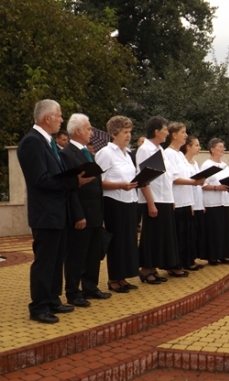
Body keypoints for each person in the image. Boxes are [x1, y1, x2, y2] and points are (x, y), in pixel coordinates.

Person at [17, 99, 93, 324]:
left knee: (57, 259)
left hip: (58, 212)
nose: (61, 120)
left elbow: (54, 174)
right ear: (47, 117)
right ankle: (39, 306)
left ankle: (52, 299)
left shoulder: (48, 141)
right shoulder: (32, 142)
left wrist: (73, 178)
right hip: (45, 213)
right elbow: (40, 179)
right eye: (59, 116)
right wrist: (73, 182)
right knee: (45, 261)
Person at [60, 114, 111, 307]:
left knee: (92, 253)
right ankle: (73, 292)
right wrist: (78, 214)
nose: (91, 132)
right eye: (89, 129)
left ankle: (90, 287)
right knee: (76, 255)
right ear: (79, 130)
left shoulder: (88, 152)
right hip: (82, 212)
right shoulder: (67, 154)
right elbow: (71, 188)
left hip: (95, 211)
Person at [137, 116, 186, 282]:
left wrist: (171, 199)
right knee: (151, 235)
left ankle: (153, 267)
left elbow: (167, 177)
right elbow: (143, 178)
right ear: (156, 131)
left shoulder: (160, 150)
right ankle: (146, 269)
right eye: (165, 130)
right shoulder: (145, 149)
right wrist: (151, 203)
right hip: (153, 199)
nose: (167, 132)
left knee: (160, 236)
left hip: (164, 198)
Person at [95, 116, 140, 293]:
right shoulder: (106, 153)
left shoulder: (127, 154)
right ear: (114, 134)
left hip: (130, 200)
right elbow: (98, 181)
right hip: (114, 202)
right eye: (125, 132)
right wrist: (120, 185)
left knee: (128, 241)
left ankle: (123, 276)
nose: (129, 136)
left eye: (130, 132)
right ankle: (113, 279)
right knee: (117, 242)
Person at [164, 123, 204, 272]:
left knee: (187, 234)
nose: (186, 135)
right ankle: (175, 265)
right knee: (178, 235)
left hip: (187, 199)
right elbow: (174, 178)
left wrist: (197, 181)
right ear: (174, 135)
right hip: (177, 200)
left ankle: (187, 261)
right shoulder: (168, 153)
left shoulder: (180, 155)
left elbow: (187, 175)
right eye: (183, 132)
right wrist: (194, 182)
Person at [201, 138, 229, 265]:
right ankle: (212, 256)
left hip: (225, 201)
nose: (222, 149)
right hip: (212, 202)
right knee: (214, 230)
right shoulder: (206, 165)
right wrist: (216, 188)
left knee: (224, 229)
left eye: (223, 146)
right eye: (219, 146)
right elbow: (202, 184)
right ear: (212, 149)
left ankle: (223, 254)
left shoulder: (225, 166)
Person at [182, 136, 207, 263]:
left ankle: (193, 258)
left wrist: (202, 203)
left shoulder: (195, 163)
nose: (199, 148)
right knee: (189, 233)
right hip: (189, 201)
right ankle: (188, 260)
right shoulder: (183, 162)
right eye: (196, 145)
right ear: (188, 146)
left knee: (197, 232)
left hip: (198, 202)